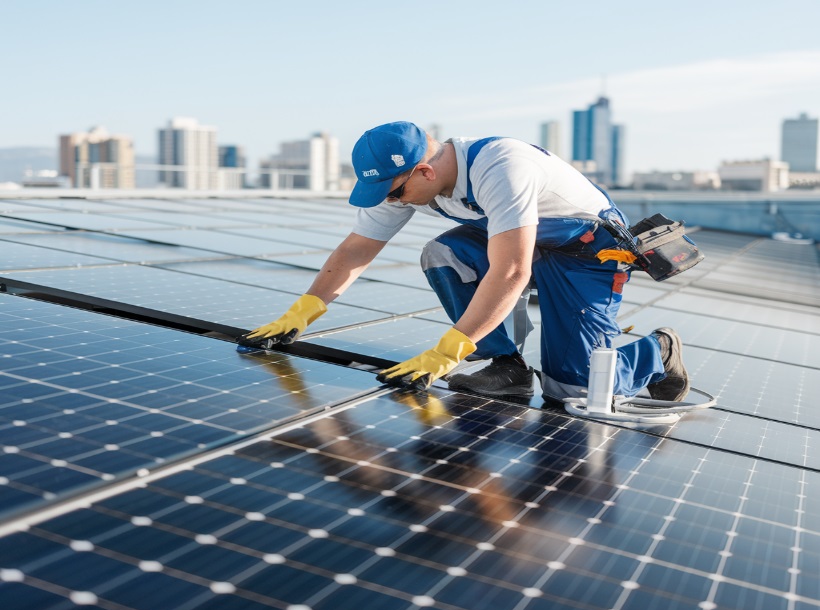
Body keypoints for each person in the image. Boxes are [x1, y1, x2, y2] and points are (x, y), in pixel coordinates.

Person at [237, 121, 689, 403]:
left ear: (425, 172)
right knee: (442, 253)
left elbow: (510, 271)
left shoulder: (501, 167)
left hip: (585, 252)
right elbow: (356, 248)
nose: (392, 202)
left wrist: (447, 352)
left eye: (395, 193)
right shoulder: (407, 183)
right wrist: (303, 312)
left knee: (574, 390)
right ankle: (507, 367)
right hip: (517, 239)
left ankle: (657, 350)